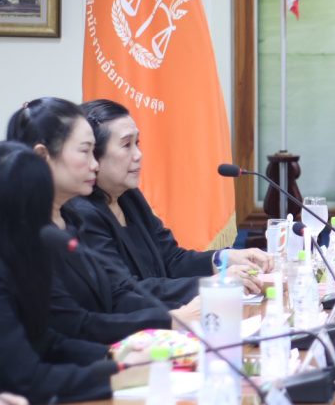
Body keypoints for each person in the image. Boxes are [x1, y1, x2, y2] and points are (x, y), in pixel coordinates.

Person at [6, 98, 198, 344]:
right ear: (43, 156)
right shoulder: (27, 235)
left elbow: (115, 294)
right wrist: (170, 320)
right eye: (86, 151)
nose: (95, 165)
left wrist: (175, 316)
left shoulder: (72, 220)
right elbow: (73, 328)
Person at [66, 99, 268, 305]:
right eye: (127, 145)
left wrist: (224, 259)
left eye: (137, 143)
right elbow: (125, 292)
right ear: (94, 156)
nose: (138, 155)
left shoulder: (130, 197)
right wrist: (216, 283)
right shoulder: (82, 214)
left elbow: (171, 259)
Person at [0, 141, 141, 404]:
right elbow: (28, 380)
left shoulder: (20, 254)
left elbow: (47, 342)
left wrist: (114, 356)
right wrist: (117, 376)